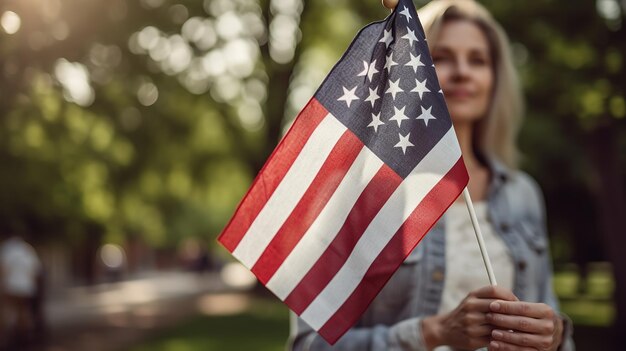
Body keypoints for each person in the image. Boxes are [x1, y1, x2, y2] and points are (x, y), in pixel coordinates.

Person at [288, 0, 575, 350]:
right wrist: (432, 333)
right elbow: (308, 344)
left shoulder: (523, 193)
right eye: (441, 57)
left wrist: (556, 335)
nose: (462, 72)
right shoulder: (357, 192)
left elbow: (549, 312)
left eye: (478, 60)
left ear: (495, 79)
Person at [0, 235, 42, 349]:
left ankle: (7, 340)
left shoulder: (6, 249)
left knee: (8, 312)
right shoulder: (28, 249)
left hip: (11, 286)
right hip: (26, 287)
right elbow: (35, 270)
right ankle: (25, 338)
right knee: (24, 311)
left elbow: (3, 269)